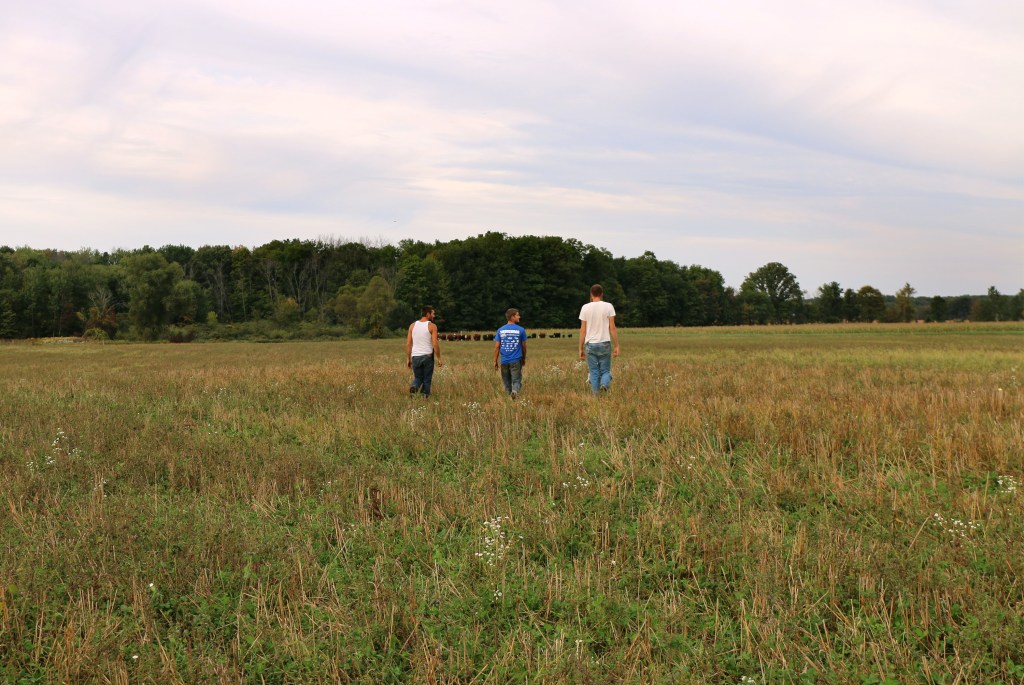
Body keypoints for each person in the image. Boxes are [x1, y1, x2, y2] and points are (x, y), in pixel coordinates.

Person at [578, 284, 619, 394]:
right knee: (605, 370)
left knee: (594, 372)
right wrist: (616, 346)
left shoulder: (585, 307)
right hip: (605, 343)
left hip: (590, 344)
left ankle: (596, 396)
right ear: (601, 294)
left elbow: (583, 330)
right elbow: (612, 328)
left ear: (591, 294)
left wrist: (580, 348)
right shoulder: (609, 306)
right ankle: (604, 384)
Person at [406, 305, 442, 398]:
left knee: (418, 378)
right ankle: (424, 397)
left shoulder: (412, 326)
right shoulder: (432, 326)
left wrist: (408, 359)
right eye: (433, 314)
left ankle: (414, 387)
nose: (434, 316)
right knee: (426, 379)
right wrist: (439, 358)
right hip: (427, 357)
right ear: (428, 314)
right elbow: (435, 344)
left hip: (415, 357)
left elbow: (408, 344)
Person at [494, 308, 527, 399]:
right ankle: (515, 391)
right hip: (516, 360)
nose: (519, 316)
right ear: (512, 317)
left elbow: (497, 347)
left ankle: (509, 398)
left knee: (506, 381)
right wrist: (523, 358)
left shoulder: (500, 330)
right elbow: (524, 346)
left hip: (504, 360)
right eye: (517, 315)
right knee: (516, 380)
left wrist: (495, 361)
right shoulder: (521, 330)